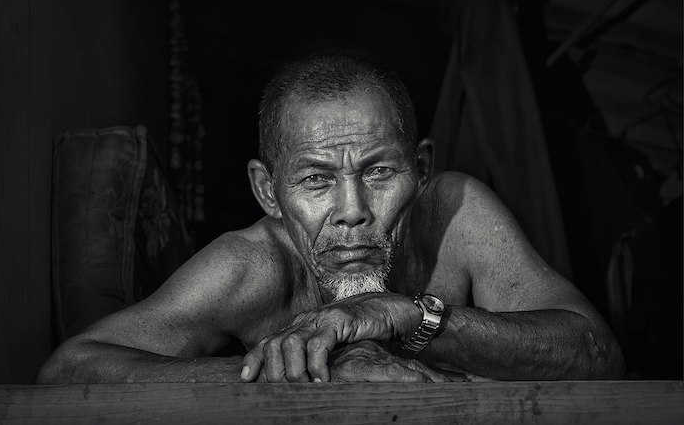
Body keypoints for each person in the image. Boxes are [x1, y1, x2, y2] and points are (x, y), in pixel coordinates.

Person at [36, 52, 624, 384]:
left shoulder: (455, 213)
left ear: (420, 168)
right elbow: (69, 370)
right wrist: (281, 373)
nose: (352, 212)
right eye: (316, 180)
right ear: (268, 192)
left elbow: (597, 353)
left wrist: (408, 318)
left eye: (378, 173)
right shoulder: (253, 266)